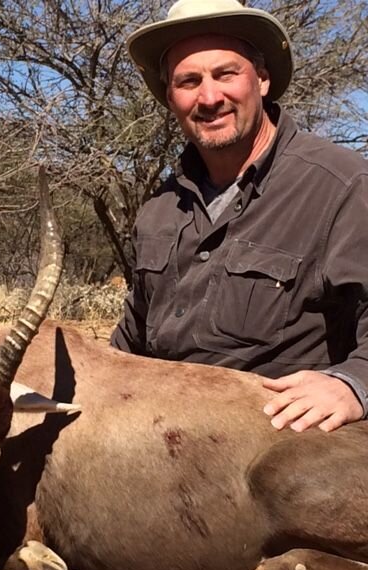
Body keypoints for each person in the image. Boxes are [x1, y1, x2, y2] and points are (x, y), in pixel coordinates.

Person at [111, 0, 368, 432]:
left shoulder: (342, 185)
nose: (209, 97)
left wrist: (352, 383)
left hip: (276, 451)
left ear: (262, 79)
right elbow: (131, 339)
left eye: (226, 74)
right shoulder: (159, 208)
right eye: (188, 81)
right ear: (170, 97)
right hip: (159, 445)